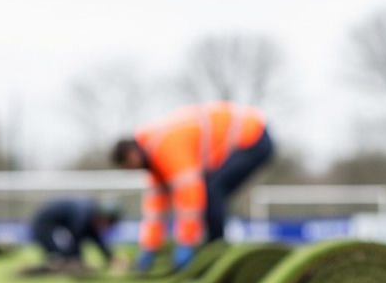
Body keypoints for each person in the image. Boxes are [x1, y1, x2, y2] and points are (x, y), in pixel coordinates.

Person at [111, 102, 273, 271]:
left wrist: (186, 242)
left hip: (252, 137)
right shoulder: (154, 161)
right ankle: (212, 249)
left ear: (132, 155)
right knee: (211, 191)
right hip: (242, 139)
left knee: (212, 191)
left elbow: (190, 195)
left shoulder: (165, 148)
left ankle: (216, 255)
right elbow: (155, 209)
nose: (135, 170)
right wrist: (149, 246)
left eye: (130, 166)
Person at [30, 198, 121, 269]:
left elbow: (97, 240)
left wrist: (110, 258)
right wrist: (77, 260)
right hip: (44, 223)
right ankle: (55, 265)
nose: (105, 227)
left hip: (53, 224)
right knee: (57, 254)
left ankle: (60, 263)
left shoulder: (90, 217)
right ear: (103, 216)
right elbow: (76, 238)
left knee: (64, 254)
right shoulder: (83, 216)